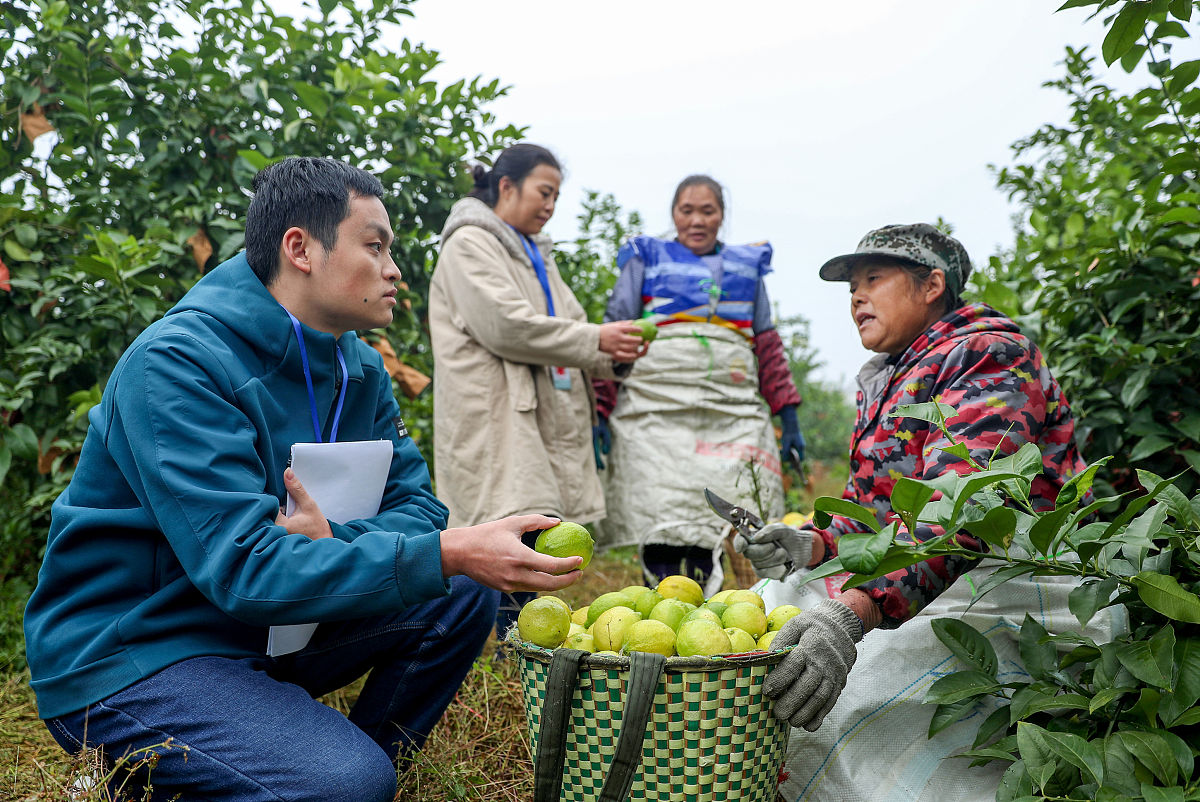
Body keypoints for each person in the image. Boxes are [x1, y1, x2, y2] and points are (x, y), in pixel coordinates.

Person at [23, 157, 585, 802]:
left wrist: (344, 539)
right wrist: (443, 549)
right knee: (345, 780)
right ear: (300, 248)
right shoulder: (177, 365)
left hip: (262, 632)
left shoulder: (360, 370)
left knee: (457, 593)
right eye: (373, 247)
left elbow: (420, 510)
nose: (394, 270)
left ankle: (301, 765)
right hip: (140, 651)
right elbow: (245, 570)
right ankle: (302, 773)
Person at [735, 224, 1099, 800]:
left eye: (873, 279)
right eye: (851, 286)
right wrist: (813, 544)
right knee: (765, 623)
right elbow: (874, 514)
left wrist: (853, 613)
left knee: (860, 697)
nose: (856, 296)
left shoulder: (987, 354)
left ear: (933, 284)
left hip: (1008, 581)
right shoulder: (892, 376)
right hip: (927, 576)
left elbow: (968, 508)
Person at [428, 143, 646, 634]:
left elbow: (571, 323)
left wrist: (615, 351)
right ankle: (508, 647)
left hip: (536, 410)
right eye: (543, 192)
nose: (550, 205)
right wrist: (597, 342)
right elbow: (506, 324)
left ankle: (528, 647)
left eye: (556, 196)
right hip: (496, 412)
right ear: (507, 187)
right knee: (503, 527)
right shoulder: (470, 243)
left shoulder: (534, 254)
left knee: (534, 530)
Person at [593, 175, 803, 590]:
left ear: (722, 215)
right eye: (686, 210)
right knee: (662, 511)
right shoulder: (645, 257)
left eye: (707, 210)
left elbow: (766, 345)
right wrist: (599, 410)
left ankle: (705, 606)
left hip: (731, 411)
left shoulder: (747, 268)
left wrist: (789, 415)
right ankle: (662, 602)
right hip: (655, 408)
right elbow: (616, 334)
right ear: (673, 214)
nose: (696, 220)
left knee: (723, 515)